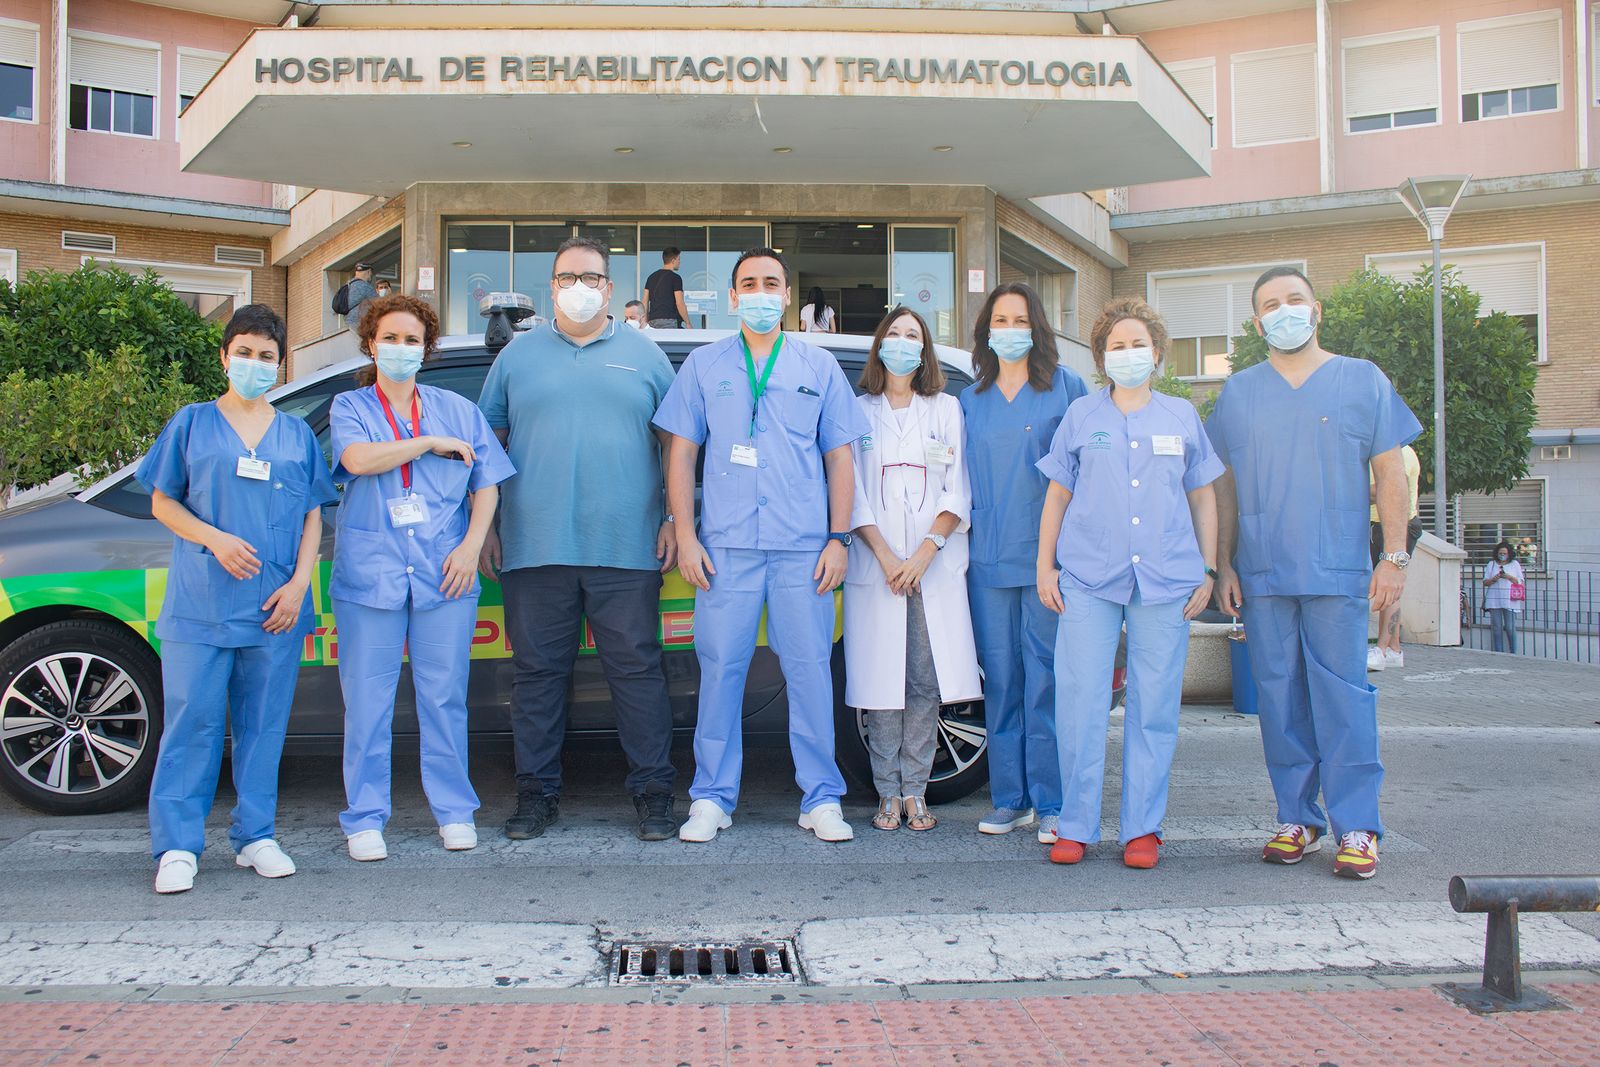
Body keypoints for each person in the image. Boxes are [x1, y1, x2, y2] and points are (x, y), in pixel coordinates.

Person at [1208, 266, 1421, 881]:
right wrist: (1222, 563)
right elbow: (1224, 486)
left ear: (1316, 308)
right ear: (1256, 323)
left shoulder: (1361, 381)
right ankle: (1295, 817)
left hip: (1336, 568)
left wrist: (1394, 556)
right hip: (1263, 571)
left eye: (1294, 300)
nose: (1284, 312)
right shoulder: (1240, 393)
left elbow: (1389, 473)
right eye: (1270, 305)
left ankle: (1357, 825)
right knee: (1278, 698)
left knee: (1344, 697)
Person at [652, 246, 869, 843]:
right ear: (732, 297)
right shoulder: (702, 364)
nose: (760, 293)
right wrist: (687, 532)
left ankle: (821, 796)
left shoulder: (818, 366)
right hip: (726, 549)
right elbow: (681, 453)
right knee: (721, 670)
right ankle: (712, 797)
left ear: (788, 293)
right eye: (749, 283)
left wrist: (838, 537)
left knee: (809, 673)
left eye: (771, 283)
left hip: (803, 547)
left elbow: (840, 456)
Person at [478, 236, 682, 842]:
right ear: (552, 286)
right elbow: (486, 441)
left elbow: (677, 446)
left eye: (590, 276)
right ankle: (535, 796)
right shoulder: (515, 357)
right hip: (534, 545)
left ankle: (653, 794)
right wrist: (486, 525)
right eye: (567, 277)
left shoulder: (646, 356)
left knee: (638, 673)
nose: (579, 287)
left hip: (628, 546)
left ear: (610, 288)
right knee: (537, 676)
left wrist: (674, 519)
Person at [137, 304, 338, 894]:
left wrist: (301, 582)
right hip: (203, 601)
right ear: (225, 357)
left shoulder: (297, 434)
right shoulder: (193, 424)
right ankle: (177, 845)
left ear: (281, 365)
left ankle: (255, 836)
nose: (255, 364)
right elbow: (163, 502)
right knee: (193, 721)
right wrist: (216, 539)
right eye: (244, 353)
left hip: (276, 604)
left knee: (263, 725)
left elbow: (312, 516)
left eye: (266, 356)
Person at [1036, 298, 1221, 870]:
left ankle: (1143, 828)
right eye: (1116, 345)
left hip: (1167, 579)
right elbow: (1058, 494)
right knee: (1080, 702)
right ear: (1101, 357)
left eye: (1137, 343)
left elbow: (1203, 495)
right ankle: (1076, 824)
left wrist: (1209, 568)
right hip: (1089, 577)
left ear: (1157, 352)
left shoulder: (1180, 416)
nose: (1128, 353)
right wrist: (1045, 567)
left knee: (1154, 706)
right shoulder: (1081, 417)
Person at [330, 294, 515, 862]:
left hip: (446, 573)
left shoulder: (456, 408)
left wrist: (471, 544)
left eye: (412, 341)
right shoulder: (350, 405)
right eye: (391, 338)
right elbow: (359, 460)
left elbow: (488, 480)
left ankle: (454, 810)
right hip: (371, 575)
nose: (401, 350)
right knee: (367, 702)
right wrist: (428, 443)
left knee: (443, 698)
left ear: (426, 349)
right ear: (370, 343)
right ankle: (364, 817)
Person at [844, 306, 981, 832]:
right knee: (882, 681)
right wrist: (886, 556)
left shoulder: (946, 408)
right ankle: (886, 793)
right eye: (894, 335)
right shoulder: (858, 411)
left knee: (924, 680)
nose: (902, 344)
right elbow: (851, 491)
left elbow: (957, 488)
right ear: (880, 346)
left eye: (913, 336)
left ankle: (916, 790)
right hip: (877, 565)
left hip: (932, 565)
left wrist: (924, 553)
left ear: (923, 351)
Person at [960, 282, 1088, 843]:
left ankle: (1053, 801)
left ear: (1036, 327)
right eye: (1000, 319)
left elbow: (1090, 476)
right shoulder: (971, 398)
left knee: (1046, 680)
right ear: (986, 330)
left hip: (1049, 564)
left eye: (1020, 319)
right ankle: (1009, 798)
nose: (1009, 329)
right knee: (1003, 681)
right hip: (987, 561)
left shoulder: (1067, 389)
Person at [1367, 444, 1422, 671]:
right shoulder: (1405, 452)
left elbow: (1383, 488)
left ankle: (1381, 650)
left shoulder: (1394, 453)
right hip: (1398, 524)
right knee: (1390, 587)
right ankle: (1394, 650)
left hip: (1389, 526)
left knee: (1387, 586)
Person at [1483, 540, 1525, 653]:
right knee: (1496, 628)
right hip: (1494, 599)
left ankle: (1513, 651)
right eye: (1500, 553)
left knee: (1510, 627)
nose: (1502, 555)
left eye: (1504, 553)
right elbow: (1485, 582)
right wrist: (1494, 579)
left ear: (1509, 554)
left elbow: (1520, 581)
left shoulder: (1514, 564)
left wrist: (1508, 577)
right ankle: (1498, 651)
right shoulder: (1491, 564)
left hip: (1510, 599)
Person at [644, 247, 689, 329]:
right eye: (678, 259)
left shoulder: (651, 277)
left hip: (652, 320)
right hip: (669, 320)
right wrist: (688, 323)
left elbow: (645, 302)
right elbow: (680, 303)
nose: (679, 262)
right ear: (673, 260)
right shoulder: (675, 278)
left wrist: (645, 321)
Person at [345, 262, 379, 326]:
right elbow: (380, 304)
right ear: (369, 272)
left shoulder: (349, 285)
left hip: (348, 323)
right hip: (360, 324)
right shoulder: (365, 286)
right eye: (371, 273)